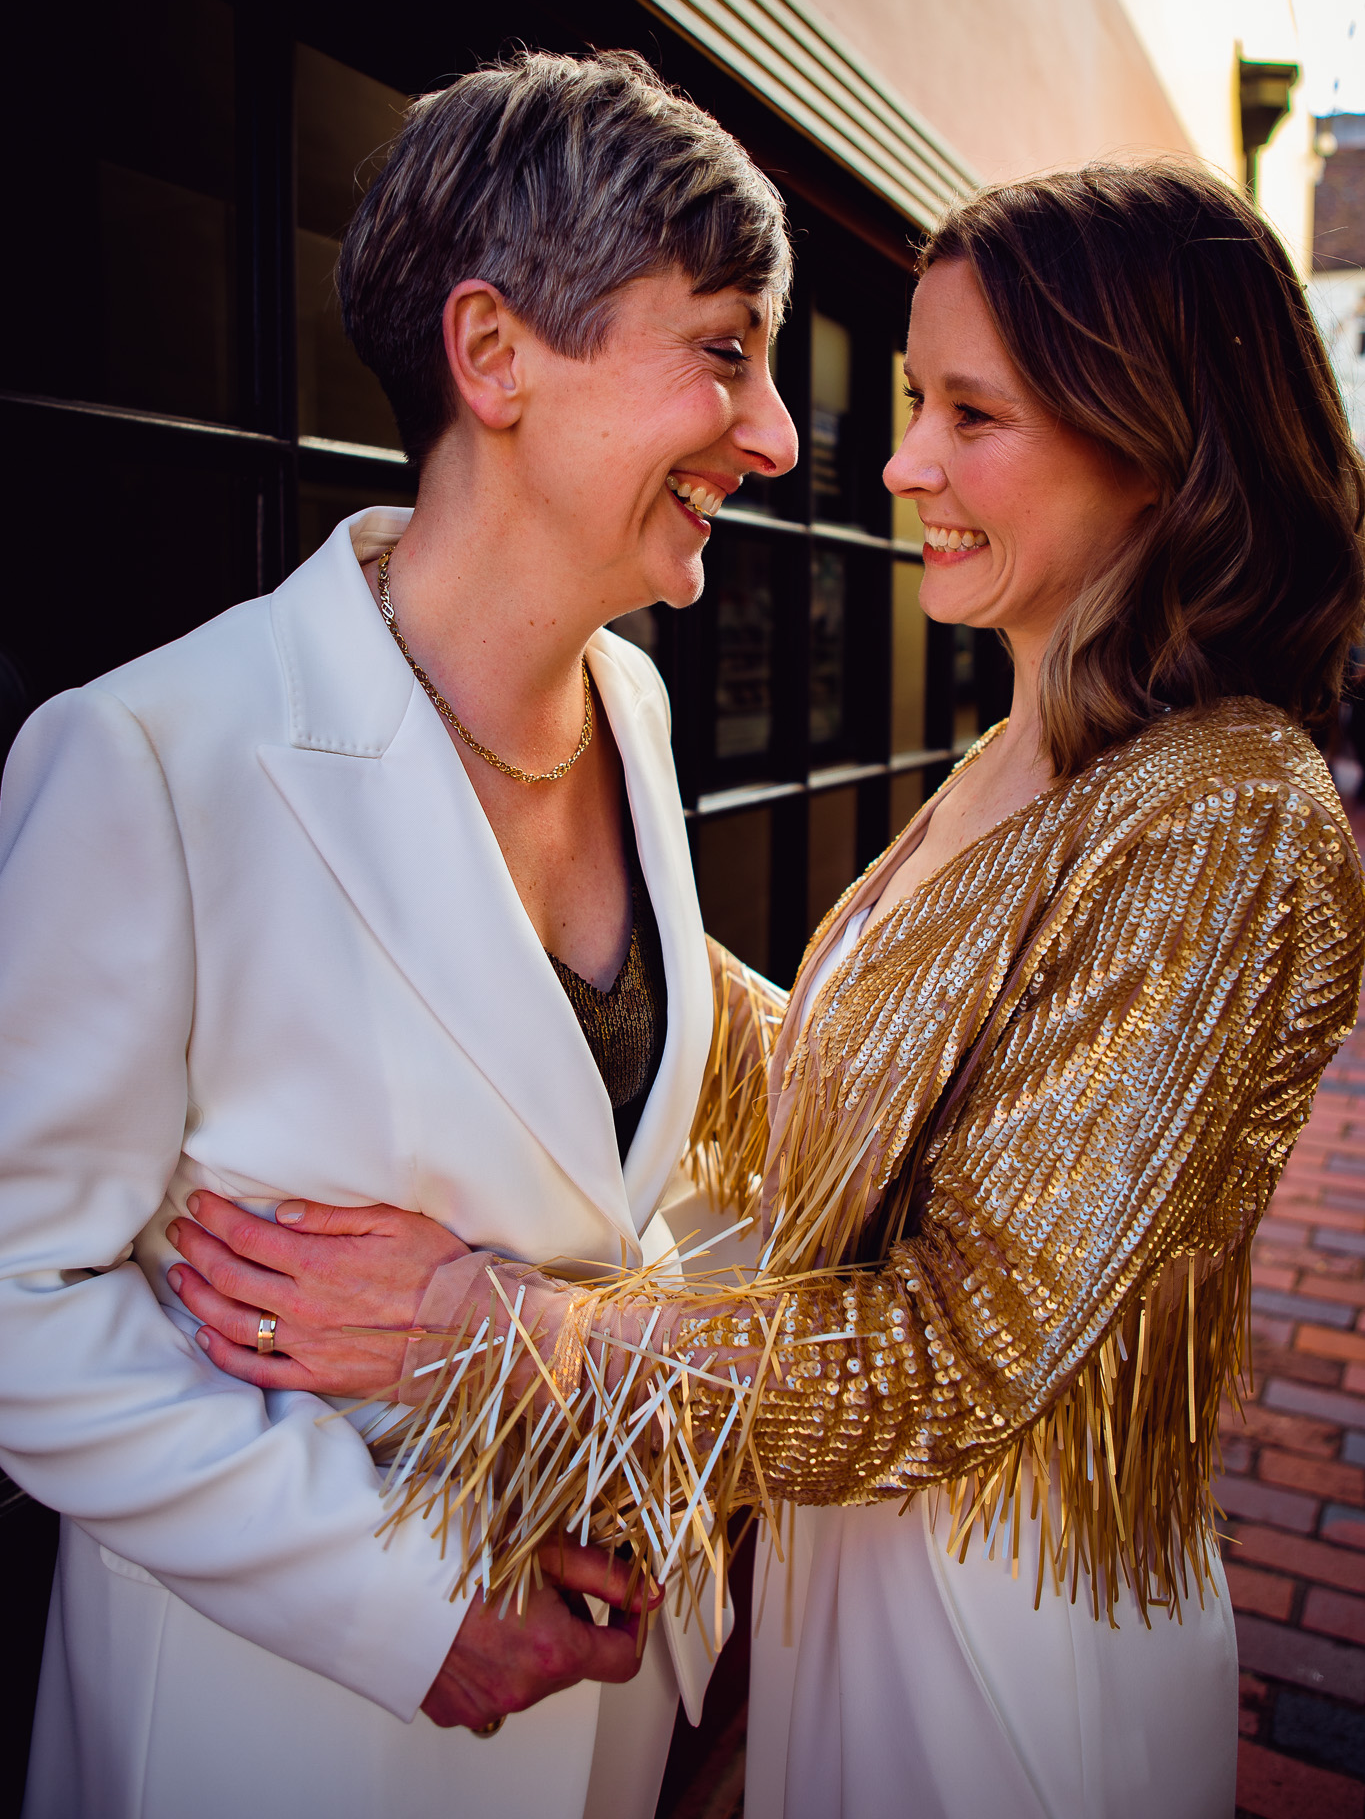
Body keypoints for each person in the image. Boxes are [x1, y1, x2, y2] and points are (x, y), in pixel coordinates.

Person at [179, 160, 1365, 1817]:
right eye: (911, 403)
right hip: (843, 1564)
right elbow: (841, 1081)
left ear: (1160, 440)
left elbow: (956, 1359)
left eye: (973, 414)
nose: (900, 466)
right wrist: (523, 884)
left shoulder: (1227, 810)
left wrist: (484, 1327)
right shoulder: (1032, 742)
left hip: (999, 1624)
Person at [0, 49, 797, 1819]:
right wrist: (407, 1605)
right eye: (723, 350)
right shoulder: (148, 755)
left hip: (611, 1710)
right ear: (494, 354)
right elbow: (19, 1299)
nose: (776, 437)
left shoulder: (640, 712)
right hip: (283, 1737)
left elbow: (586, 1185)